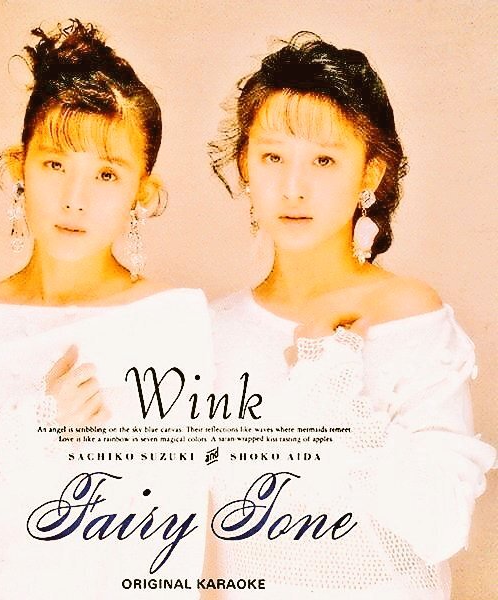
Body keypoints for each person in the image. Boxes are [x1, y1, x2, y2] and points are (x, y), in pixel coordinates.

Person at [0, 20, 212, 599]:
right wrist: (37, 425)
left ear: (141, 193)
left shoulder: (174, 321)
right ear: (19, 166)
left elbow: (185, 536)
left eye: (106, 174)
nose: (75, 198)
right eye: (55, 164)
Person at [205, 32, 495, 600]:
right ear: (245, 166)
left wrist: (330, 394)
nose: (294, 187)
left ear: (370, 173)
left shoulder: (408, 314)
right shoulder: (212, 330)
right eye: (272, 157)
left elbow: (442, 525)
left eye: (324, 160)